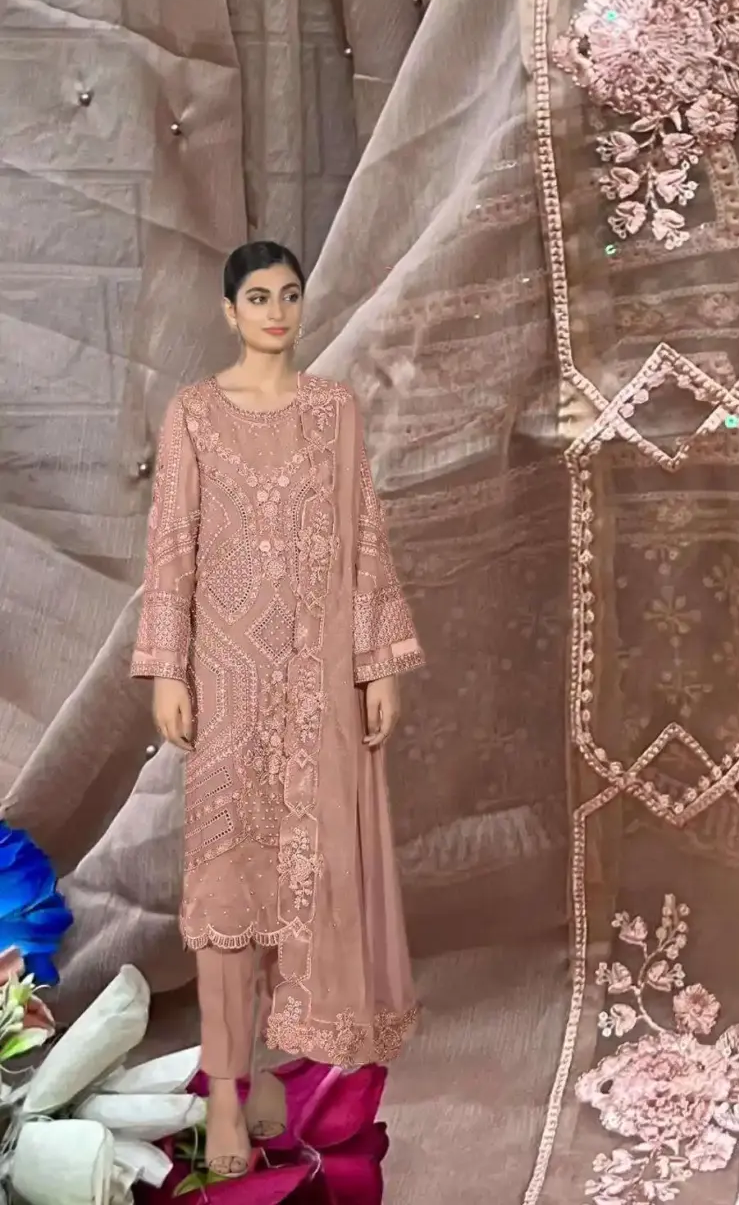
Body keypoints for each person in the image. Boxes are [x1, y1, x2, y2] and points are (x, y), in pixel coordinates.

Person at [131, 244, 423, 1179]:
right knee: (228, 884)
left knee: (299, 874)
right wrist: (168, 670)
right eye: (257, 296)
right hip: (225, 676)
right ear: (229, 311)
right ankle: (225, 1088)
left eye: (289, 295)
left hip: (316, 680)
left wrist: (377, 664)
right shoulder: (195, 413)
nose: (276, 311)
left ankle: (265, 1068)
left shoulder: (333, 410)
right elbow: (172, 546)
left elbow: (365, 536)